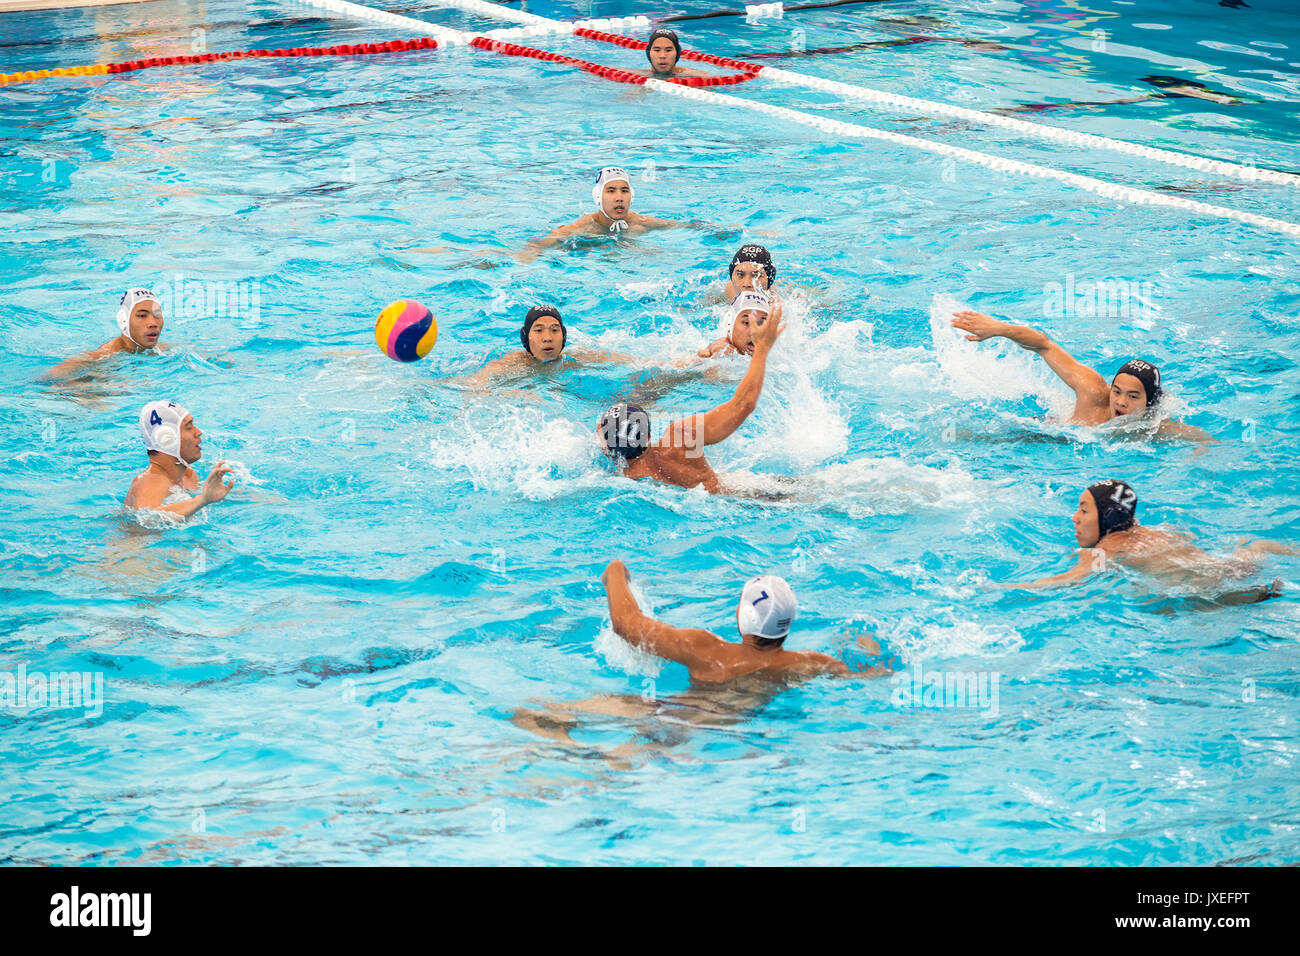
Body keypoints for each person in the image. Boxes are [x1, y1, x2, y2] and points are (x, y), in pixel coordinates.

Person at [597, 301, 784, 493]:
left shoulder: (618, 477)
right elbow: (743, 405)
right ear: (649, 435)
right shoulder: (680, 440)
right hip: (751, 494)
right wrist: (761, 350)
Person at [1002, 479, 1294, 601]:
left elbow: (1071, 581)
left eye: (1083, 510)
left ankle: (1248, 598)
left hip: (1206, 589)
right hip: (1233, 566)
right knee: (1254, 547)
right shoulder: (1151, 531)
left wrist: (1006, 587)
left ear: (1107, 520)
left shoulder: (1106, 548)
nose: (1073, 517)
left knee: (1156, 603)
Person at [599, 560, 888, 683]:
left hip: (678, 723)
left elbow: (626, 624)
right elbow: (871, 675)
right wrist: (869, 647)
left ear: (745, 617)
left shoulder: (706, 650)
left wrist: (615, 572)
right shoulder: (807, 663)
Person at [950, 309, 1213, 440]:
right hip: (1042, 434)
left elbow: (1202, 439)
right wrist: (999, 328)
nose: (1120, 401)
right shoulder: (1092, 391)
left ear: (1150, 402)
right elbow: (1044, 344)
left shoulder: (1154, 428)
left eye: (1133, 396)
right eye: (1117, 391)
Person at [516, 167, 687, 263]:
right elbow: (539, 245)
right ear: (598, 197)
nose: (619, 197)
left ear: (631, 196)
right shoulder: (582, 227)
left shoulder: (641, 223)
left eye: (625, 191)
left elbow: (688, 226)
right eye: (611, 191)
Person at [458, 305, 640, 387]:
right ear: (525, 338)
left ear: (564, 335)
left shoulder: (575, 359)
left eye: (554, 330)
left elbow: (627, 360)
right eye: (538, 331)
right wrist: (514, 396)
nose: (547, 338)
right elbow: (475, 386)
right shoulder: (512, 364)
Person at [125, 400, 235, 517]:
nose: (198, 432)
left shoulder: (188, 476)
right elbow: (147, 521)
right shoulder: (149, 483)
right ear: (167, 439)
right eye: (188, 427)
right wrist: (202, 500)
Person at [47, 288, 167, 379]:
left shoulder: (162, 349)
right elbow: (49, 379)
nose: (153, 323)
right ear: (124, 320)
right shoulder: (105, 356)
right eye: (142, 315)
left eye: (157, 314)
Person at [698, 290, 776, 359]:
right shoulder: (723, 351)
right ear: (730, 324)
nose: (755, 331)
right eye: (747, 323)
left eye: (762, 323)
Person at [638, 28, 708, 79]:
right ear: (648, 53)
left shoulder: (698, 77)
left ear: (677, 53)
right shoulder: (637, 76)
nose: (662, 56)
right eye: (657, 50)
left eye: (668, 50)